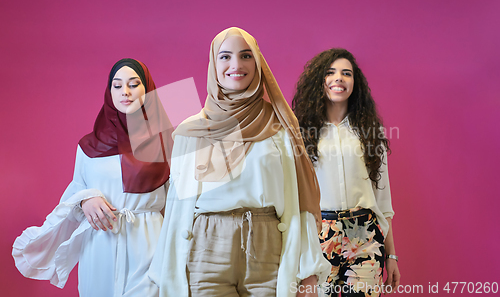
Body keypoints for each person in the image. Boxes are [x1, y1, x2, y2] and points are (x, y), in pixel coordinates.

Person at [148, 27, 330, 297]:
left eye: (246, 56)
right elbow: (177, 205)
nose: (236, 65)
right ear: (213, 64)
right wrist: (165, 270)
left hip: (268, 245)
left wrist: (308, 269)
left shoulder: (280, 127)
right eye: (225, 57)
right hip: (206, 248)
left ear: (257, 64)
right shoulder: (191, 130)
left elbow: (299, 200)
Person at [13, 58, 171, 297]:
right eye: (117, 86)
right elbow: (76, 192)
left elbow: (178, 199)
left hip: (150, 241)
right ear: (109, 92)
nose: (125, 92)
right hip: (100, 244)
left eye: (134, 84)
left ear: (147, 90)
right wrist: (86, 199)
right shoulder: (88, 146)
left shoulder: (167, 140)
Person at [292, 48, 401, 296]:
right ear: (319, 82)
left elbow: (383, 201)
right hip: (318, 235)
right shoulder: (301, 134)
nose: (339, 78)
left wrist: (391, 254)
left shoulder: (371, 133)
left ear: (355, 83)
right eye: (330, 73)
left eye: (346, 73)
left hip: (365, 235)